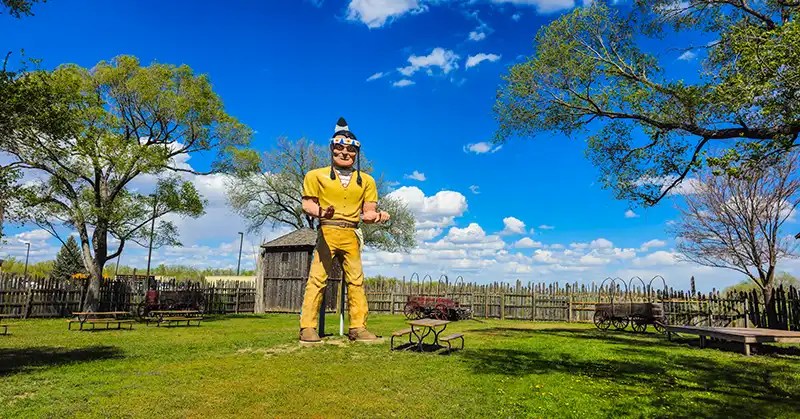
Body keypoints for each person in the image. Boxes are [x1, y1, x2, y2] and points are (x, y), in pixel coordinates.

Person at [298, 117, 390, 343]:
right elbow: (307, 204)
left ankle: (358, 327)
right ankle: (307, 327)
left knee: (356, 281)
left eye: (350, 149)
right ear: (331, 149)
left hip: (351, 233)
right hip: (327, 233)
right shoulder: (315, 175)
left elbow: (367, 212)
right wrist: (321, 212)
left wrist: (376, 216)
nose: (345, 153)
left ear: (357, 153)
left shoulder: (366, 180)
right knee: (317, 279)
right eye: (339, 148)